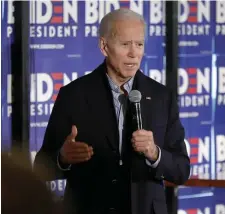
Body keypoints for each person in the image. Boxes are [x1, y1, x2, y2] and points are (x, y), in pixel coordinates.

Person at [34, 8, 190, 214]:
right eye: (125, 44)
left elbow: (182, 170)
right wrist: (62, 158)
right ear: (104, 46)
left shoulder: (161, 97)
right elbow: (40, 168)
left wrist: (154, 153)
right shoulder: (73, 95)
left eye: (139, 44)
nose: (134, 53)